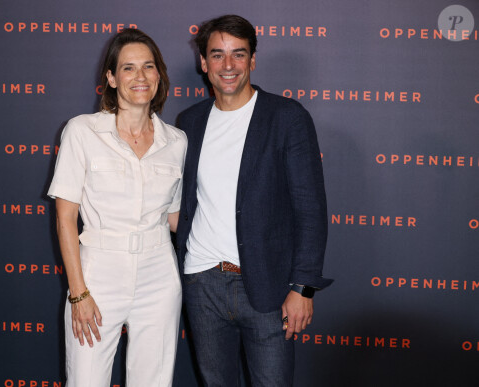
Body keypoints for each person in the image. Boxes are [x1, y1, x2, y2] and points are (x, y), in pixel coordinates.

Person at [176, 15, 333, 386]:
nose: (227, 66)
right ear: (203, 63)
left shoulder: (286, 117)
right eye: (217, 55)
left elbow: (310, 210)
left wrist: (303, 288)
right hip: (202, 284)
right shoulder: (190, 121)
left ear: (252, 60)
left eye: (238, 54)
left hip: (268, 286)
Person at [48, 28, 187, 387]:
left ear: (159, 75)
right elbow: (66, 217)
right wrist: (78, 292)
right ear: (111, 78)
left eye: (148, 66)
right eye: (128, 68)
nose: (140, 77)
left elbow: (175, 219)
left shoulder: (177, 141)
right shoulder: (82, 132)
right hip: (97, 274)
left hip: (159, 274)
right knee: (86, 380)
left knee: (153, 381)